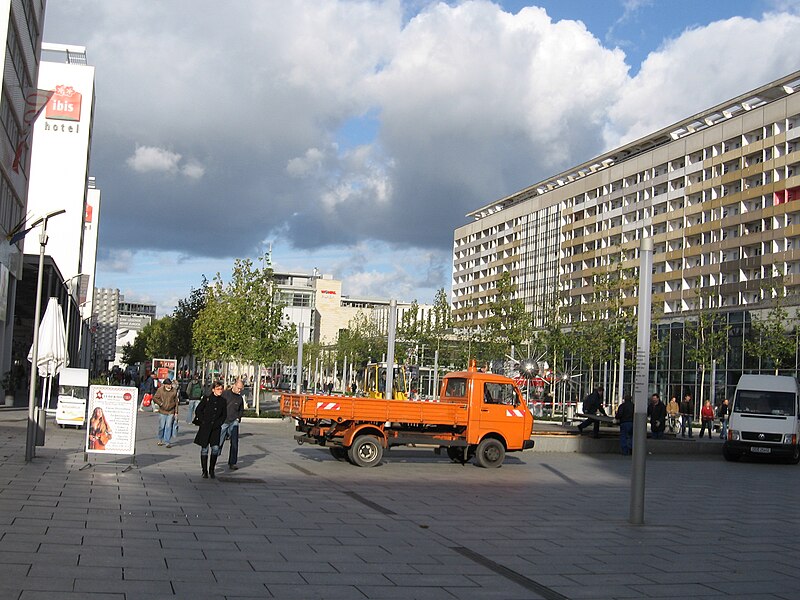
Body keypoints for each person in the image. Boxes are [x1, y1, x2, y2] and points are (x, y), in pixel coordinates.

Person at [193, 380, 227, 478]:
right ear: (213, 390)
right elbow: (198, 410)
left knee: (215, 448)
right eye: (218, 389)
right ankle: (204, 471)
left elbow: (224, 415)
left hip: (216, 429)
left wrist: (219, 422)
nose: (220, 391)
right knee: (204, 449)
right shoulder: (207, 399)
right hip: (205, 428)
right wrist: (203, 420)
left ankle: (212, 469)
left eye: (221, 389)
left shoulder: (223, 401)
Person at [219, 378, 245, 470]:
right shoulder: (225, 394)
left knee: (234, 442)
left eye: (241, 389)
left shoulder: (240, 398)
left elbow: (241, 409)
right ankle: (215, 455)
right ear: (234, 385)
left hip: (234, 421)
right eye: (238, 388)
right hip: (224, 421)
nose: (239, 390)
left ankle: (232, 462)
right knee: (219, 441)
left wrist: (238, 418)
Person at [153, 377, 179, 448]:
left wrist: (176, 412)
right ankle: (160, 439)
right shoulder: (160, 390)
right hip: (162, 411)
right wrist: (160, 404)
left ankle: (167, 441)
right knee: (162, 426)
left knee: (168, 426)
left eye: (170, 384)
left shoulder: (174, 391)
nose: (170, 386)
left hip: (171, 411)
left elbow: (176, 402)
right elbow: (155, 398)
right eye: (168, 385)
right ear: (165, 385)